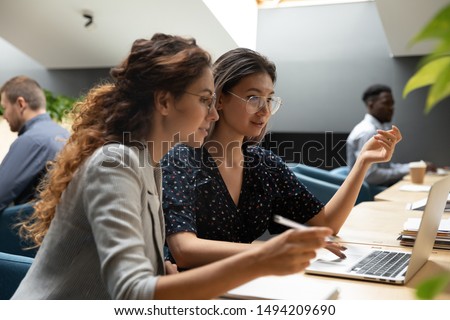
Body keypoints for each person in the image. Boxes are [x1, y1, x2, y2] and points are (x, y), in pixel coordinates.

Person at [12, 34, 332, 300]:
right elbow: (132, 295)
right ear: (165, 102)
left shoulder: (150, 165)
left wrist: (156, 269)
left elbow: (134, 274)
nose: (214, 115)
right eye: (206, 100)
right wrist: (260, 259)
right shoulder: (116, 165)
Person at [161, 48, 403, 269]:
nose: (264, 110)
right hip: (191, 290)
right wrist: (274, 249)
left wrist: (363, 163)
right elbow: (184, 250)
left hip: (246, 282)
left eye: (269, 99)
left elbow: (325, 225)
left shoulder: (264, 164)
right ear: (220, 98)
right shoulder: (181, 159)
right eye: (253, 98)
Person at [0, 76, 69, 212]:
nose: (4, 116)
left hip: (30, 229)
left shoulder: (33, 140)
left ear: (20, 104)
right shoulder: (65, 135)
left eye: (5, 108)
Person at [346, 84, 435, 187]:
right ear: (371, 105)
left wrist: (414, 167)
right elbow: (370, 175)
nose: (391, 108)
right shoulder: (368, 132)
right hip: (370, 191)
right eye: (386, 103)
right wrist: (409, 170)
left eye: (392, 104)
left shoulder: (377, 129)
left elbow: (385, 167)